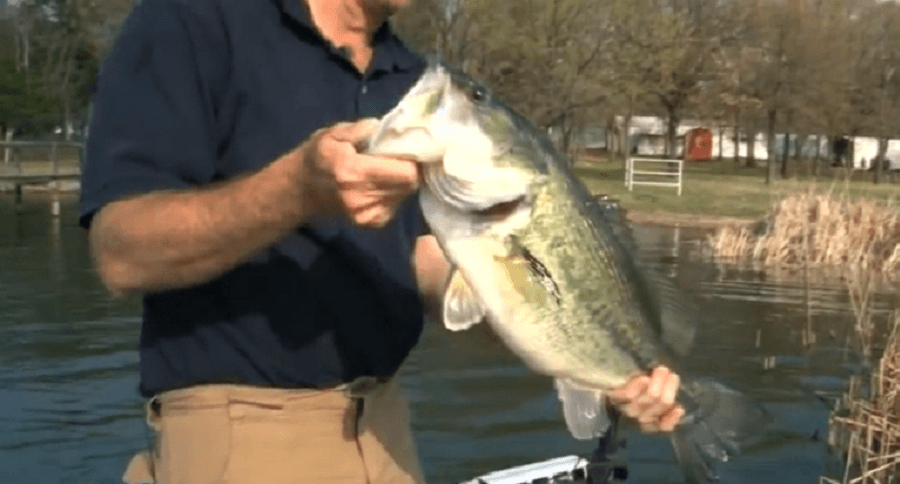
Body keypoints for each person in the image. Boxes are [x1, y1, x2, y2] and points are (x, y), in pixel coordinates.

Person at [79, 0, 684, 483]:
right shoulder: (195, 18)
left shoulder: (411, 80)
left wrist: (598, 363)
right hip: (245, 436)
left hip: (389, 433)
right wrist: (295, 190)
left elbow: (426, 263)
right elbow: (119, 253)